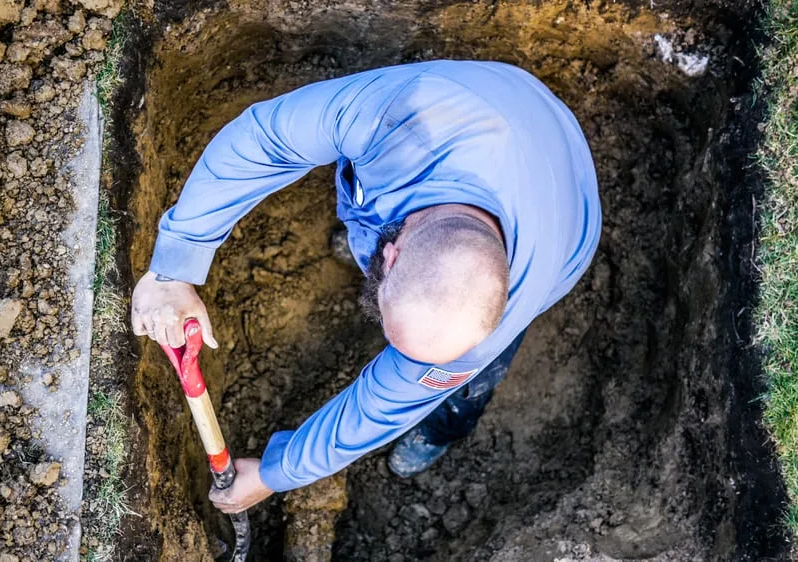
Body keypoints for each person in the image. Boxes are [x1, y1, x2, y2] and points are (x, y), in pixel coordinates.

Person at [131, 60, 602, 514]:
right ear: (392, 255)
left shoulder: (499, 319)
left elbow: (378, 408)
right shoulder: (395, 115)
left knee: (464, 383)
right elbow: (262, 139)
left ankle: (443, 428)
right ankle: (370, 244)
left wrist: (278, 473)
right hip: (509, 97)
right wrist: (174, 268)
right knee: (372, 219)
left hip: (569, 206)